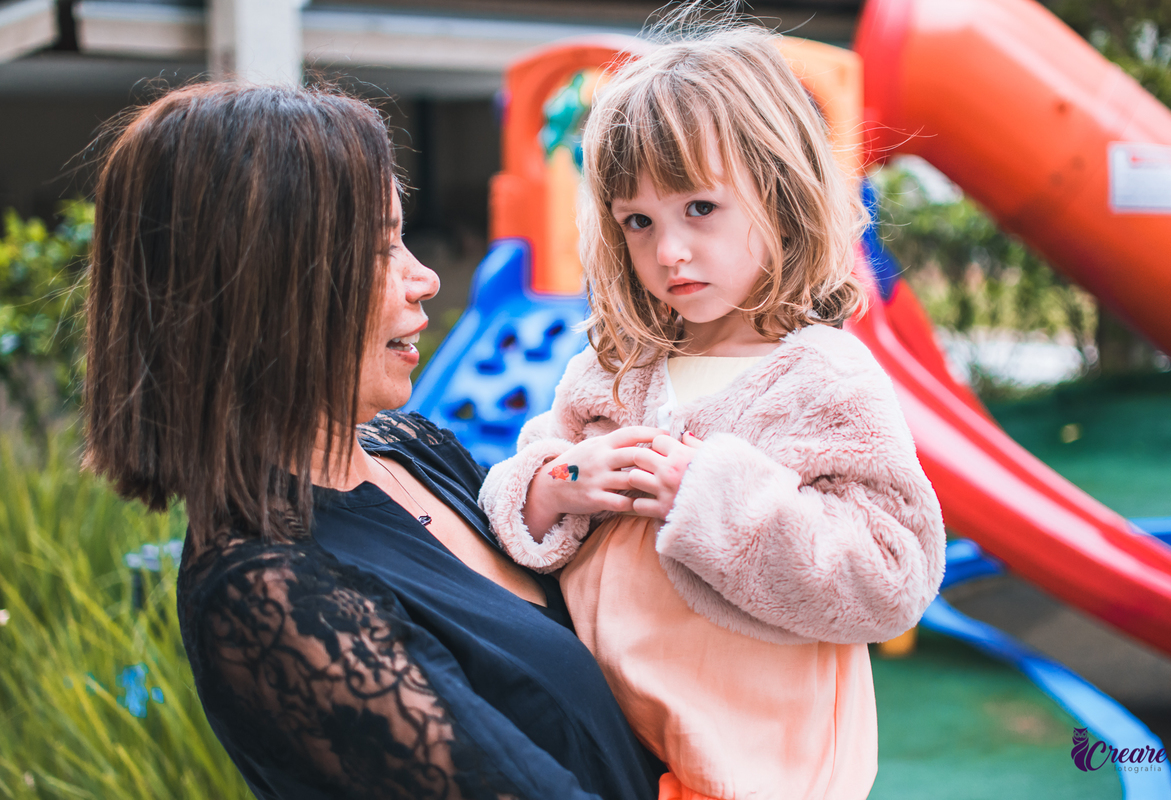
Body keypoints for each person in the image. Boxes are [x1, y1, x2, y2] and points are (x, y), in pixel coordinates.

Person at [83, 83, 664, 800]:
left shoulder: (407, 449)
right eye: (382, 247)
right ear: (268, 283)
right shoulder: (271, 590)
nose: (425, 278)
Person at [479, 23, 946, 800]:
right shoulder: (614, 367)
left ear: (781, 196)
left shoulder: (823, 379)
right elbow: (513, 494)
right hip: (603, 746)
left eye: (700, 208)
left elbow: (894, 575)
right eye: (640, 222)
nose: (670, 252)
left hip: (756, 763)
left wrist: (714, 497)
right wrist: (556, 483)